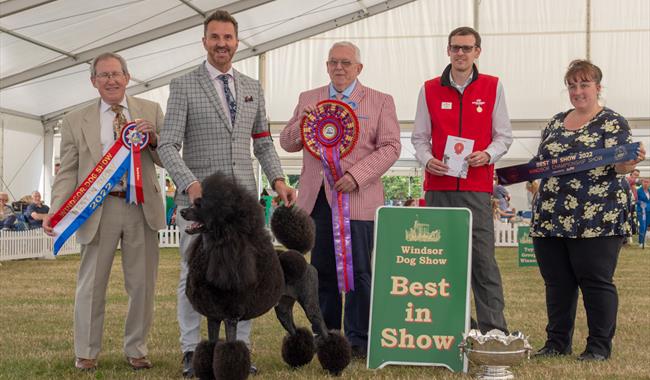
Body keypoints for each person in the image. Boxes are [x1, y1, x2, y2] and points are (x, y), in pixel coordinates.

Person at [157, 10, 295, 378]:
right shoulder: (183, 85)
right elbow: (168, 145)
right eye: (215, 37)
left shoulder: (252, 86)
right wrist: (190, 183)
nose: (222, 44)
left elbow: (263, 142)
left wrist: (279, 180)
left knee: (244, 278)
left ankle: (239, 352)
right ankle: (192, 351)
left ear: (237, 42)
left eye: (228, 38)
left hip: (244, 207)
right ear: (204, 42)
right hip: (202, 202)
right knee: (193, 276)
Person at [43, 52, 165, 371]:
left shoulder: (151, 111)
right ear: (93, 81)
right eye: (103, 75)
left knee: (142, 284)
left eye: (116, 74)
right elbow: (67, 171)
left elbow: (168, 157)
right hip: (96, 210)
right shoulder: (73, 120)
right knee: (91, 284)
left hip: (141, 207)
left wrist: (154, 139)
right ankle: (86, 351)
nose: (110, 80)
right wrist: (57, 210)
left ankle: (137, 349)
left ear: (127, 77)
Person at [280, 41, 401, 359]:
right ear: (326, 65)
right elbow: (288, 143)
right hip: (316, 201)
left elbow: (390, 147)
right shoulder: (309, 98)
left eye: (346, 62)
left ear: (359, 67)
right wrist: (300, 124)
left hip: (358, 199)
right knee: (320, 272)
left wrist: (357, 175)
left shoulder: (379, 101)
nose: (339, 67)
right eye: (333, 62)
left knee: (359, 272)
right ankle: (327, 335)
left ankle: (359, 340)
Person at [529, 60, 645, 361]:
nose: (577, 91)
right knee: (556, 283)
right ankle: (556, 343)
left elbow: (620, 165)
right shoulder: (555, 122)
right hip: (552, 214)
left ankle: (597, 347)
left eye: (584, 84)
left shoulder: (612, 122)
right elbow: (541, 164)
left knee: (595, 280)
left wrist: (629, 162)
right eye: (572, 85)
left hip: (597, 214)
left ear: (597, 87)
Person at [411, 26, 512, 334]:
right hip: (439, 190)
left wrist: (488, 154)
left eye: (467, 48)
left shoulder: (493, 87)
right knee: (442, 262)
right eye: (456, 47)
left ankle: (493, 330)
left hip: (477, 189)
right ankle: (452, 327)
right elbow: (419, 138)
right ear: (448, 51)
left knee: (483, 263)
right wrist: (428, 160)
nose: (461, 53)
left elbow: (504, 136)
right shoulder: (428, 89)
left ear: (477, 51)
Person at [637, 178, 650, 248]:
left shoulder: (649, 190)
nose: (646, 183)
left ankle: (644, 242)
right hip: (641, 211)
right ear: (642, 182)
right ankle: (640, 242)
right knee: (642, 226)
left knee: (647, 227)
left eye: (648, 182)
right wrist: (641, 203)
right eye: (645, 182)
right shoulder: (638, 191)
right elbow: (636, 199)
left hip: (648, 211)